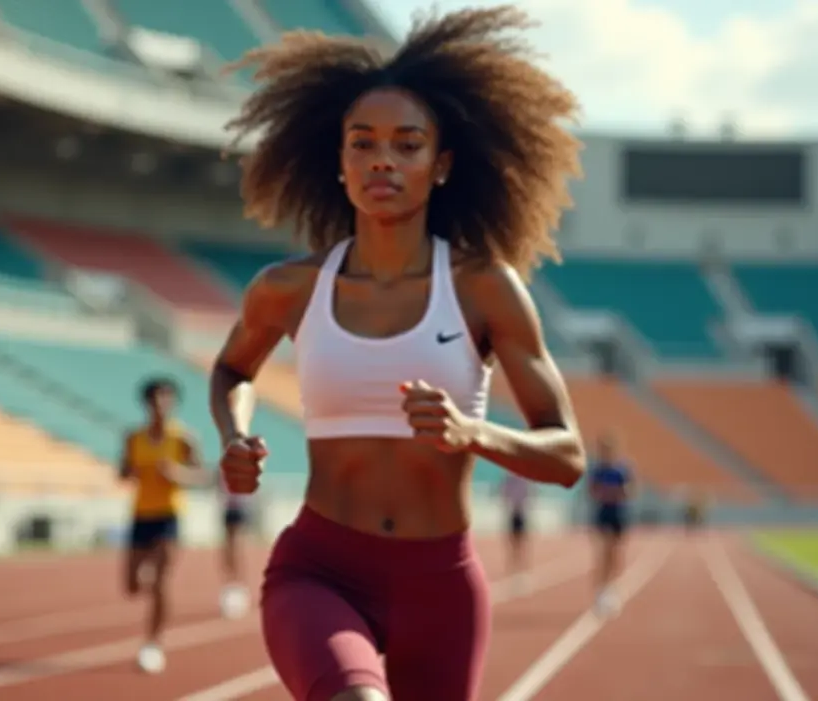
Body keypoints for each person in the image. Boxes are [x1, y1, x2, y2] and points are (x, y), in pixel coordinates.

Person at [210, 7, 586, 700]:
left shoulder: (482, 287)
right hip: (318, 568)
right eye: (363, 142)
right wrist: (234, 433)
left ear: (441, 165)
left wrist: (472, 431)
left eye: (407, 144)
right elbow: (233, 368)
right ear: (341, 161)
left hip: (440, 585)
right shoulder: (289, 288)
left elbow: (567, 455)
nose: (383, 157)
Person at [119, 377, 208, 674]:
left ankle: (153, 643)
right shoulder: (133, 437)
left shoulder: (184, 438)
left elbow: (203, 475)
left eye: (166, 399)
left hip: (169, 516)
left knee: (159, 581)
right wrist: (129, 471)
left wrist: (179, 474)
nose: (161, 405)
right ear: (146, 403)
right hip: (140, 515)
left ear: (173, 403)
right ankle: (153, 611)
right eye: (155, 399)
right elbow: (121, 472)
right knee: (131, 586)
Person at [586, 431, 633, 617]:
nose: (606, 451)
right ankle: (601, 592)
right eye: (603, 448)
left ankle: (611, 589)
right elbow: (592, 491)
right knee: (603, 552)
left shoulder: (622, 470)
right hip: (603, 513)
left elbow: (630, 491)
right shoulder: (597, 470)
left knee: (615, 555)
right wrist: (607, 493)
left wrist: (615, 492)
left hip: (619, 514)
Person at [218, 490, 252, 619]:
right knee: (229, 548)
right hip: (228, 507)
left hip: (240, 507)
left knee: (236, 545)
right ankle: (232, 584)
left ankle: (238, 585)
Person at [500, 471, 533, 590]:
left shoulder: (523, 480)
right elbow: (504, 494)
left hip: (521, 514)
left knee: (522, 544)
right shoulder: (509, 479)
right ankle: (513, 573)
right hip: (513, 514)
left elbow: (528, 495)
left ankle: (521, 573)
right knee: (513, 545)